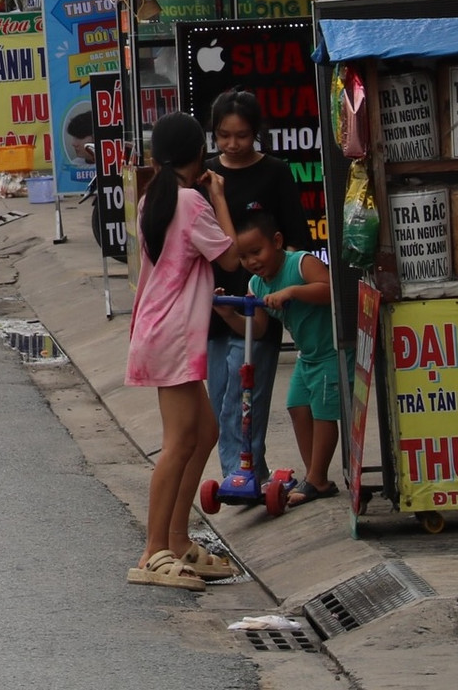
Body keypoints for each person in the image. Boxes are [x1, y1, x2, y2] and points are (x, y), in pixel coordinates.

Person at [126, 112, 241, 592]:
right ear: (198, 156)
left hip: (161, 330)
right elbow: (231, 257)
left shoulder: (154, 197)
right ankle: (154, 551)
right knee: (178, 443)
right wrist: (219, 196)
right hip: (172, 334)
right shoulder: (193, 201)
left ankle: (176, 538)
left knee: (206, 431)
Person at [205, 89, 313, 483]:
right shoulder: (206, 175)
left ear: (256, 133)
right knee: (221, 401)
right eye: (223, 135)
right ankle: (252, 471)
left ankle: (239, 476)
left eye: (242, 135)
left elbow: (297, 240)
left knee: (246, 395)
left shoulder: (275, 172)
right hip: (216, 303)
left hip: (259, 304)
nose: (232, 144)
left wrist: (280, 289)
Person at [232, 206, 339, 508]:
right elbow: (258, 328)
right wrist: (228, 313)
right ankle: (315, 476)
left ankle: (316, 478)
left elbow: (330, 290)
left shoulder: (301, 263)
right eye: (243, 257)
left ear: (276, 241)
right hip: (308, 356)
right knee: (296, 406)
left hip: (331, 352)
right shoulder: (256, 285)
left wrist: (293, 291)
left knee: (323, 413)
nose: (252, 262)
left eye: (257, 251)